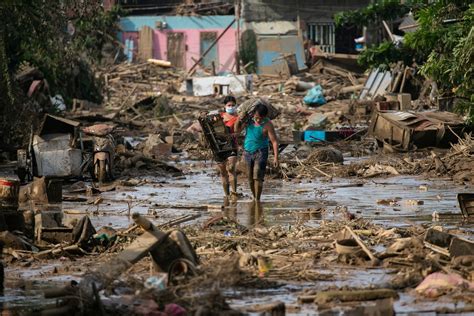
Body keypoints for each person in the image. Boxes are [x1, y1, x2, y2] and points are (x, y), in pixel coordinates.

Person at [235, 102, 279, 201]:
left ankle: (257, 199)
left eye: (261, 118)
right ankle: (254, 197)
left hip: (261, 151)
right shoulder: (248, 121)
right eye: (257, 117)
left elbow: (274, 141)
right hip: (247, 152)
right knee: (250, 178)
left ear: (265, 117)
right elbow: (237, 131)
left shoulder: (268, 124)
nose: (258, 120)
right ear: (253, 114)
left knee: (257, 175)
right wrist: (239, 118)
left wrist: (276, 157)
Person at [216, 95, 239, 199]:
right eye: (229, 105)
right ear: (225, 106)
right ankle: (226, 195)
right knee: (222, 172)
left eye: (233, 105)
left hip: (232, 145)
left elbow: (240, 131)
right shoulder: (218, 118)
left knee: (231, 168)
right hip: (218, 146)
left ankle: (234, 193)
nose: (231, 107)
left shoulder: (238, 118)